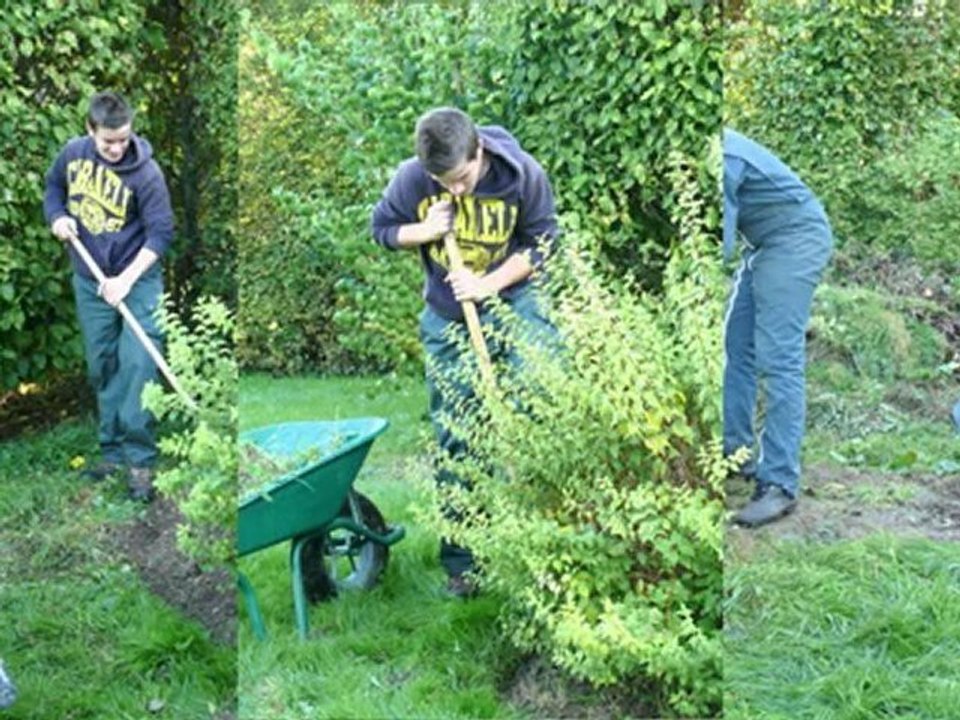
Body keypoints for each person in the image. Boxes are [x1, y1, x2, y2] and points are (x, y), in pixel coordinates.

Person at [372, 107, 558, 596]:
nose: (454, 190)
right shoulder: (414, 180)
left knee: (537, 405)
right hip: (448, 318)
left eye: (462, 178)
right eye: (444, 182)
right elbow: (384, 229)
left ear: (480, 152)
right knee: (457, 432)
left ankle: (550, 542)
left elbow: (542, 245)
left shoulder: (522, 174)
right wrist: (425, 232)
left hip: (516, 301)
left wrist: (486, 283)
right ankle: (464, 564)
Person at [43, 91, 174, 502]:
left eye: (123, 139)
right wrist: (58, 217)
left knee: (139, 363)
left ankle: (140, 460)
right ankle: (112, 452)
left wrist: (127, 279)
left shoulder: (146, 174)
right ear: (90, 130)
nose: (117, 149)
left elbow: (161, 234)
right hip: (91, 281)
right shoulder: (72, 155)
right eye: (108, 142)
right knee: (103, 363)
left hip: (137, 279)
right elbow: (52, 189)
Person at [723, 128, 833, 527]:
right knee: (735, 345)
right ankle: (734, 454)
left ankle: (779, 485)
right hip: (763, 245)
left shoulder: (725, 157)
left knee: (779, 358)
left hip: (795, 239)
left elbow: (717, 245)